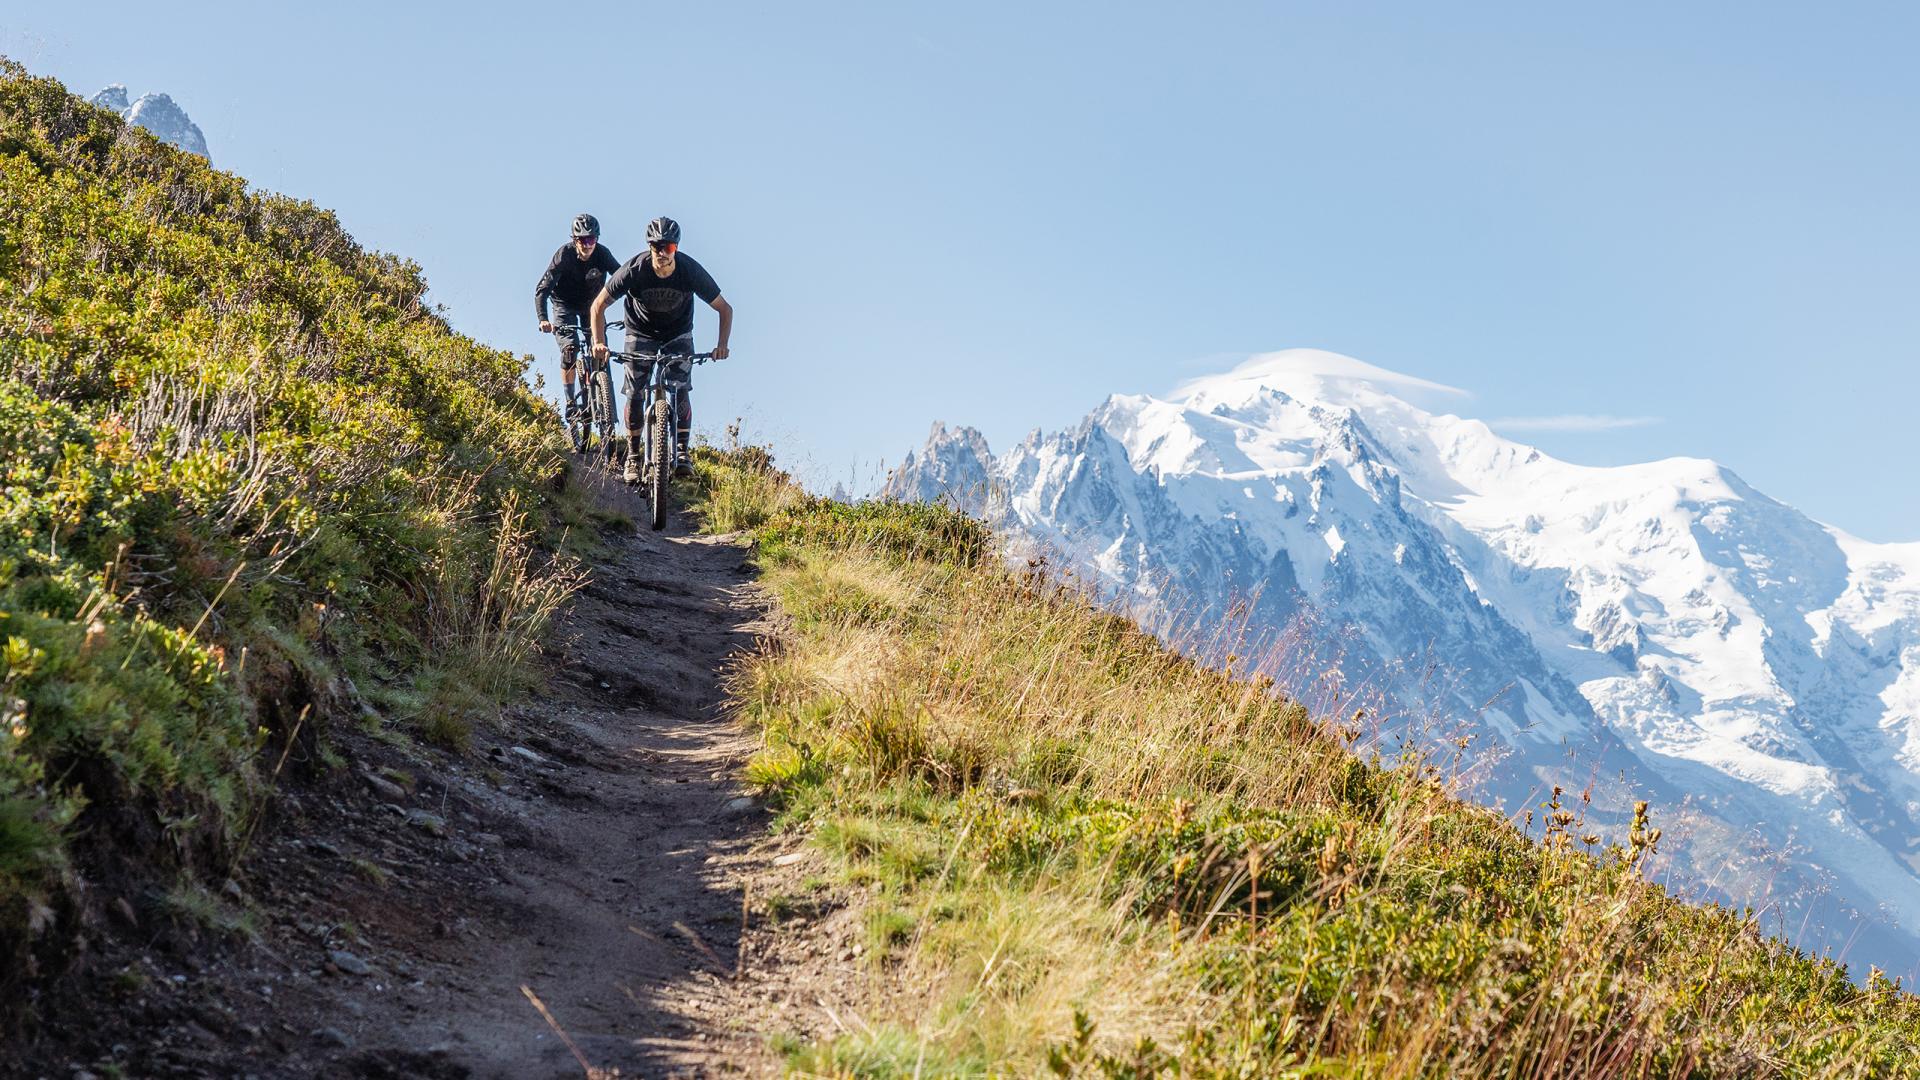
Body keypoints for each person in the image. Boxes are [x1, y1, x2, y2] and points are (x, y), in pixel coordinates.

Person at [590, 216, 734, 482]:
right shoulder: (634, 269)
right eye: (656, 247)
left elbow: (724, 309)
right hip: (639, 332)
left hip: (677, 334)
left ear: (675, 249)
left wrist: (721, 346)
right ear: (649, 247)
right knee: (634, 392)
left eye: (668, 248)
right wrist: (598, 342)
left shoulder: (689, 271)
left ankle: (681, 453)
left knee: (679, 387)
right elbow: (598, 306)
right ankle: (633, 458)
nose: (662, 253)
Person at [535, 213, 621, 440]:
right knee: (570, 349)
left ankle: (606, 404)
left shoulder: (602, 255)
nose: (587, 245)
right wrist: (543, 318)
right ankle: (571, 400)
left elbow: (622, 278)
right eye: (582, 240)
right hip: (564, 306)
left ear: (597, 239)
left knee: (600, 349)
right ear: (574, 240)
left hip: (592, 307)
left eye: (591, 240)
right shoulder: (563, 256)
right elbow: (542, 290)